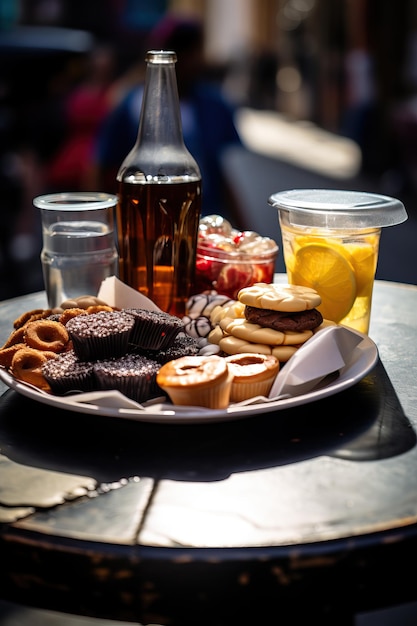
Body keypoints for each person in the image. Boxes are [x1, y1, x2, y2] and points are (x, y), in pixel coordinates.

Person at [89, 14, 242, 217]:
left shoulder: (214, 105)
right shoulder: (131, 105)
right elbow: (99, 167)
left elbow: (226, 174)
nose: (198, 60)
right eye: (190, 53)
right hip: (148, 222)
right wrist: (101, 220)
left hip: (205, 220)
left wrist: (243, 223)